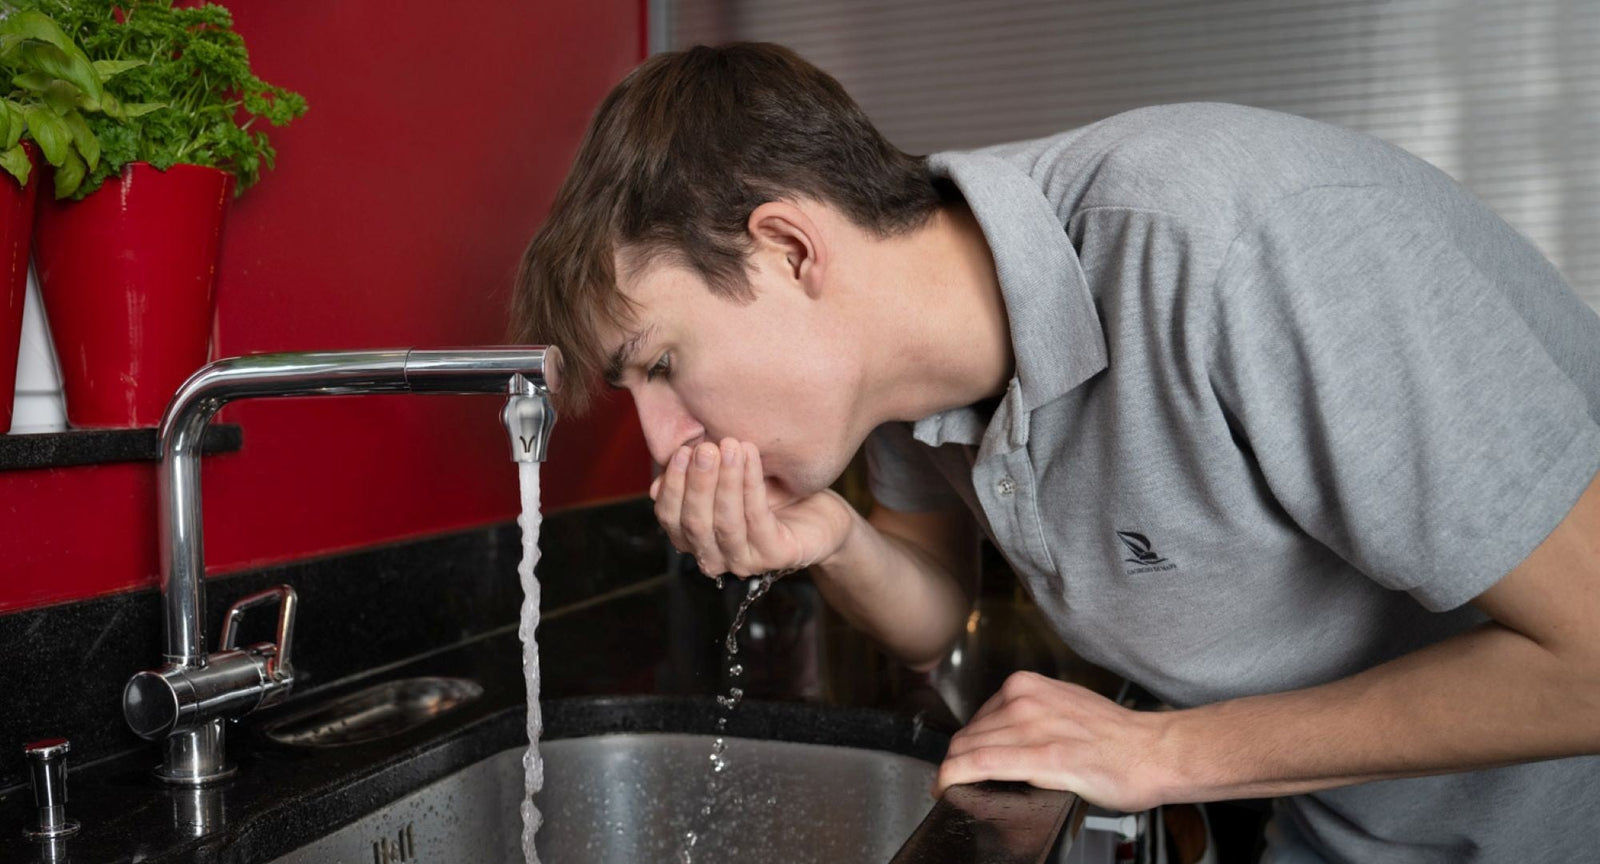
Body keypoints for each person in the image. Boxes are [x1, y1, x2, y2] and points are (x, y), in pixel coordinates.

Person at [509, 42, 1600, 863]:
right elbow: (935, 606)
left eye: (657, 364)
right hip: (1343, 829)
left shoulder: (1230, 249)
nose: (663, 443)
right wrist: (832, 536)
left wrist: (1161, 754)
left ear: (790, 249)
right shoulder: (901, 374)